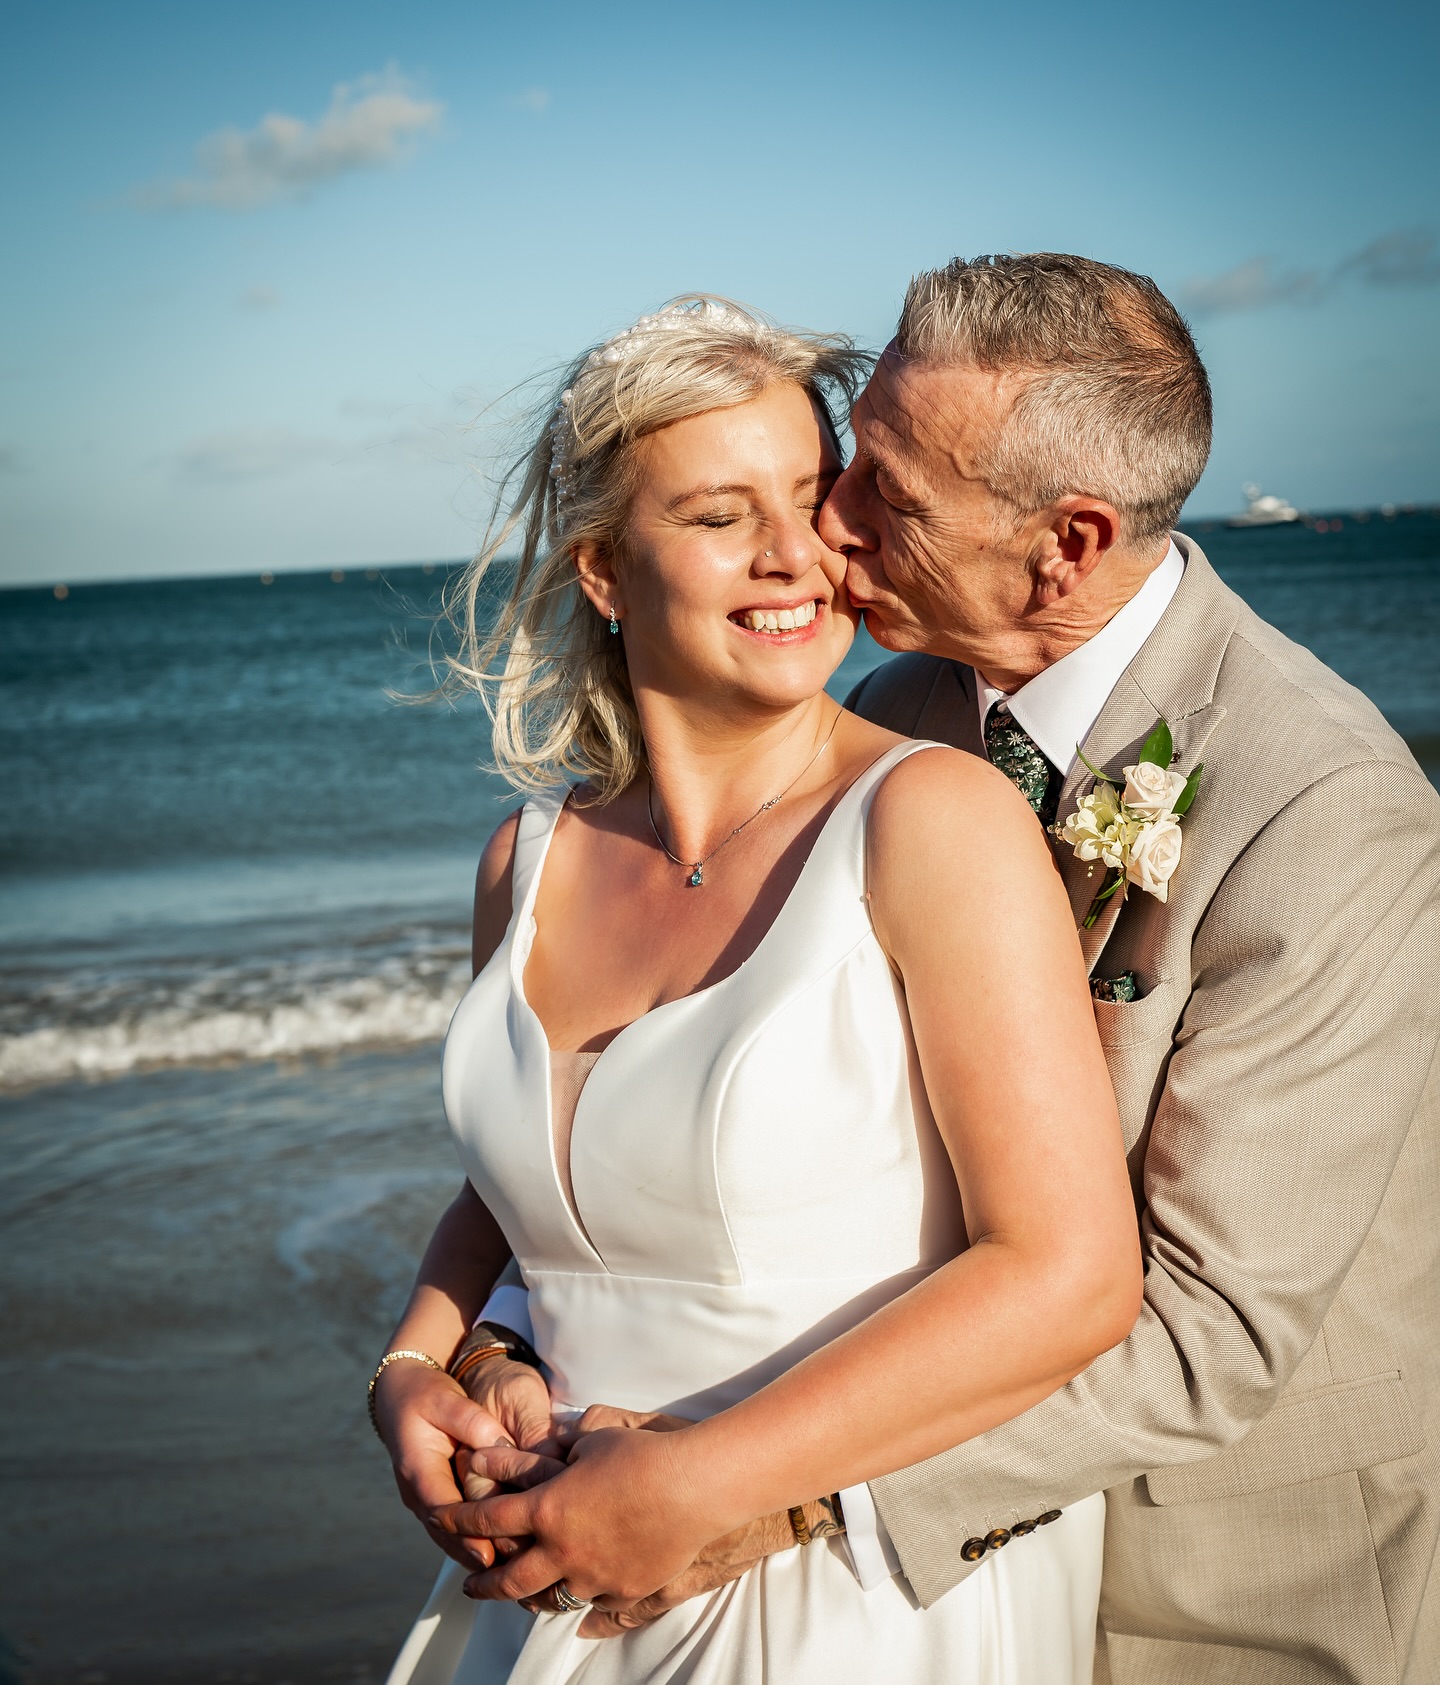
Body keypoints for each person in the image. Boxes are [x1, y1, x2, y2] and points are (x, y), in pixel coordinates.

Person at [407, 258, 1440, 1684]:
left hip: (1214, 1589)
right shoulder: (903, 705)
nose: (827, 529)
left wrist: (757, 1495)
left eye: (879, 492)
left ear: (1067, 543)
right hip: (683, 1532)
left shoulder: (1323, 811)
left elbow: (1211, 1330)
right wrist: (462, 1354)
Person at [369, 296, 1143, 1684]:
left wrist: (699, 1486)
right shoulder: (525, 861)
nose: (798, 553)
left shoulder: (932, 820)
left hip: (841, 1594)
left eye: (811, 495)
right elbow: (528, 1180)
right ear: (605, 569)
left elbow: (1071, 1275)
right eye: (723, 515)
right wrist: (420, 1366)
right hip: (548, 1567)